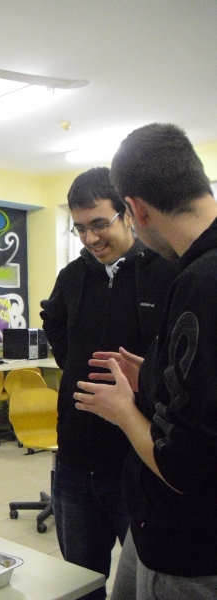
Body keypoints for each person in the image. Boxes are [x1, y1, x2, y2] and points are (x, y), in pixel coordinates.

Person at [74, 123, 217, 599]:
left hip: (189, 547)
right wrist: (154, 376)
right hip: (158, 528)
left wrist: (122, 410)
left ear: (134, 210)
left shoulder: (199, 282)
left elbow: (183, 466)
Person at [40, 167, 178, 599]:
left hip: (139, 462)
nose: (90, 238)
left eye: (100, 224)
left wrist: (147, 379)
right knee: (80, 583)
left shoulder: (168, 272)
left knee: (144, 583)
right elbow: (53, 322)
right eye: (80, 228)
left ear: (128, 214)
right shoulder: (72, 277)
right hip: (75, 458)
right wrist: (74, 364)